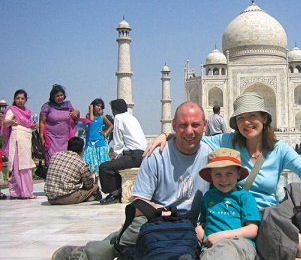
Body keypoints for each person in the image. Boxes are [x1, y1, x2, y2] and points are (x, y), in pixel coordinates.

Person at [146, 92, 301, 260]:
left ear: (264, 118)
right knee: (280, 222)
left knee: (300, 191)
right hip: (247, 216)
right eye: (241, 118)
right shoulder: (228, 141)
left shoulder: (279, 149)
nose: (247, 122)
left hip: (272, 213)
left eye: (252, 116)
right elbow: (193, 135)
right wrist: (166, 134)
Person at [51, 101, 212, 260]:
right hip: (157, 219)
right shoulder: (157, 155)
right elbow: (139, 201)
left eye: (195, 125)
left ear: (204, 125)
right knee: (129, 236)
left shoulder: (212, 157)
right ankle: (84, 255)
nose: (189, 131)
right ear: (174, 125)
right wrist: (171, 215)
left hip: (193, 227)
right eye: (183, 125)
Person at [197, 148, 260, 260]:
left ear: (238, 174)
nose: (224, 179)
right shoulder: (208, 197)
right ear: (211, 176)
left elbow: (252, 229)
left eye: (229, 173)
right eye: (218, 175)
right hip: (210, 248)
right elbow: (204, 222)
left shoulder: (244, 197)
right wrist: (199, 229)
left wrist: (221, 236)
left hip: (238, 244)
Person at [99, 99, 148, 205]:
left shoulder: (118, 118)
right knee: (115, 166)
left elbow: (118, 141)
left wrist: (116, 156)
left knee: (104, 167)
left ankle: (114, 194)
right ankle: (117, 191)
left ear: (114, 110)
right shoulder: (131, 117)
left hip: (134, 156)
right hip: (143, 154)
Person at [2, 89, 37, 199]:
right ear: (14, 99)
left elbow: (29, 124)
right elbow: (5, 123)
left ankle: (26, 192)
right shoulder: (12, 110)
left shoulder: (27, 112)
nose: (20, 100)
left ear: (26, 100)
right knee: (17, 166)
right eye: (18, 98)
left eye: (22, 98)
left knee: (26, 165)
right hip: (17, 139)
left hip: (25, 139)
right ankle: (18, 192)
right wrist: (12, 122)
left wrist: (32, 126)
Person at [44, 137, 100, 205]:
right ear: (82, 149)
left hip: (50, 198)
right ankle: (89, 197)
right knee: (95, 187)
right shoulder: (81, 163)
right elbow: (89, 184)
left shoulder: (55, 155)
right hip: (66, 198)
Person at [39, 84, 80, 165]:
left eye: (61, 95)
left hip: (65, 140)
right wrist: (41, 137)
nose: (60, 97)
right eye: (57, 96)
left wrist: (77, 112)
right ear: (53, 97)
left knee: (65, 163)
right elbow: (42, 123)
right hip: (51, 139)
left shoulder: (68, 105)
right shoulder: (47, 106)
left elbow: (76, 119)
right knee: (53, 162)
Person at [83, 98, 113, 175]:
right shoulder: (88, 115)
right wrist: (90, 109)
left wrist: (105, 133)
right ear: (93, 106)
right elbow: (91, 121)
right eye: (97, 105)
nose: (99, 108)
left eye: (101, 106)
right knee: (89, 163)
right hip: (90, 142)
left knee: (101, 163)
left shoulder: (102, 117)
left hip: (100, 141)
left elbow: (111, 126)